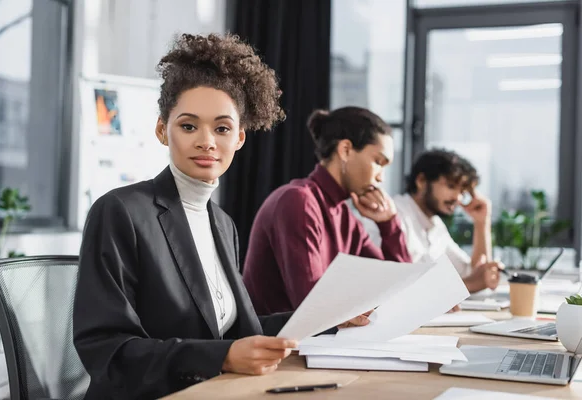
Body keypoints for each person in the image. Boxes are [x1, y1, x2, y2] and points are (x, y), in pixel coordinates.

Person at [73, 34, 369, 400]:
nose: (207, 141)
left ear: (240, 138)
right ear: (162, 131)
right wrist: (222, 357)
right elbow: (106, 350)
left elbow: (234, 327)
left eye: (222, 128)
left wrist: (326, 320)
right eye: (188, 126)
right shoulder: (121, 211)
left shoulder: (223, 224)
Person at [242, 107, 412, 315]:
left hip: (315, 340)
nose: (381, 178)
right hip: (280, 344)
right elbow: (312, 307)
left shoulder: (345, 217)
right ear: (346, 150)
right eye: (378, 162)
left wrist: (389, 223)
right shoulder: (298, 202)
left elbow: (398, 286)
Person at [394, 149, 503, 294]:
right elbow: (404, 290)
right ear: (421, 181)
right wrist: (469, 284)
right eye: (451, 186)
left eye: (462, 192)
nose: (458, 198)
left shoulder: (435, 224)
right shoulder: (395, 215)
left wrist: (482, 222)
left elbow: (471, 273)